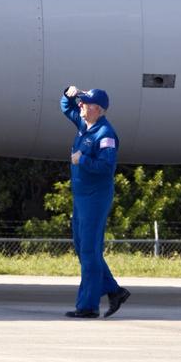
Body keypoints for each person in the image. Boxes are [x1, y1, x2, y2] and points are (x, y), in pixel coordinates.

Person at [61, 85, 130, 319]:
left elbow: (106, 167)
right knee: (82, 247)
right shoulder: (85, 125)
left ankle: (88, 306)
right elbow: (66, 107)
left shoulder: (105, 135)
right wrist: (68, 93)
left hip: (95, 198)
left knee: (90, 251)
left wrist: (83, 160)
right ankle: (113, 290)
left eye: (86, 103)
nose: (81, 106)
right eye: (82, 102)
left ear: (98, 110)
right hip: (81, 196)